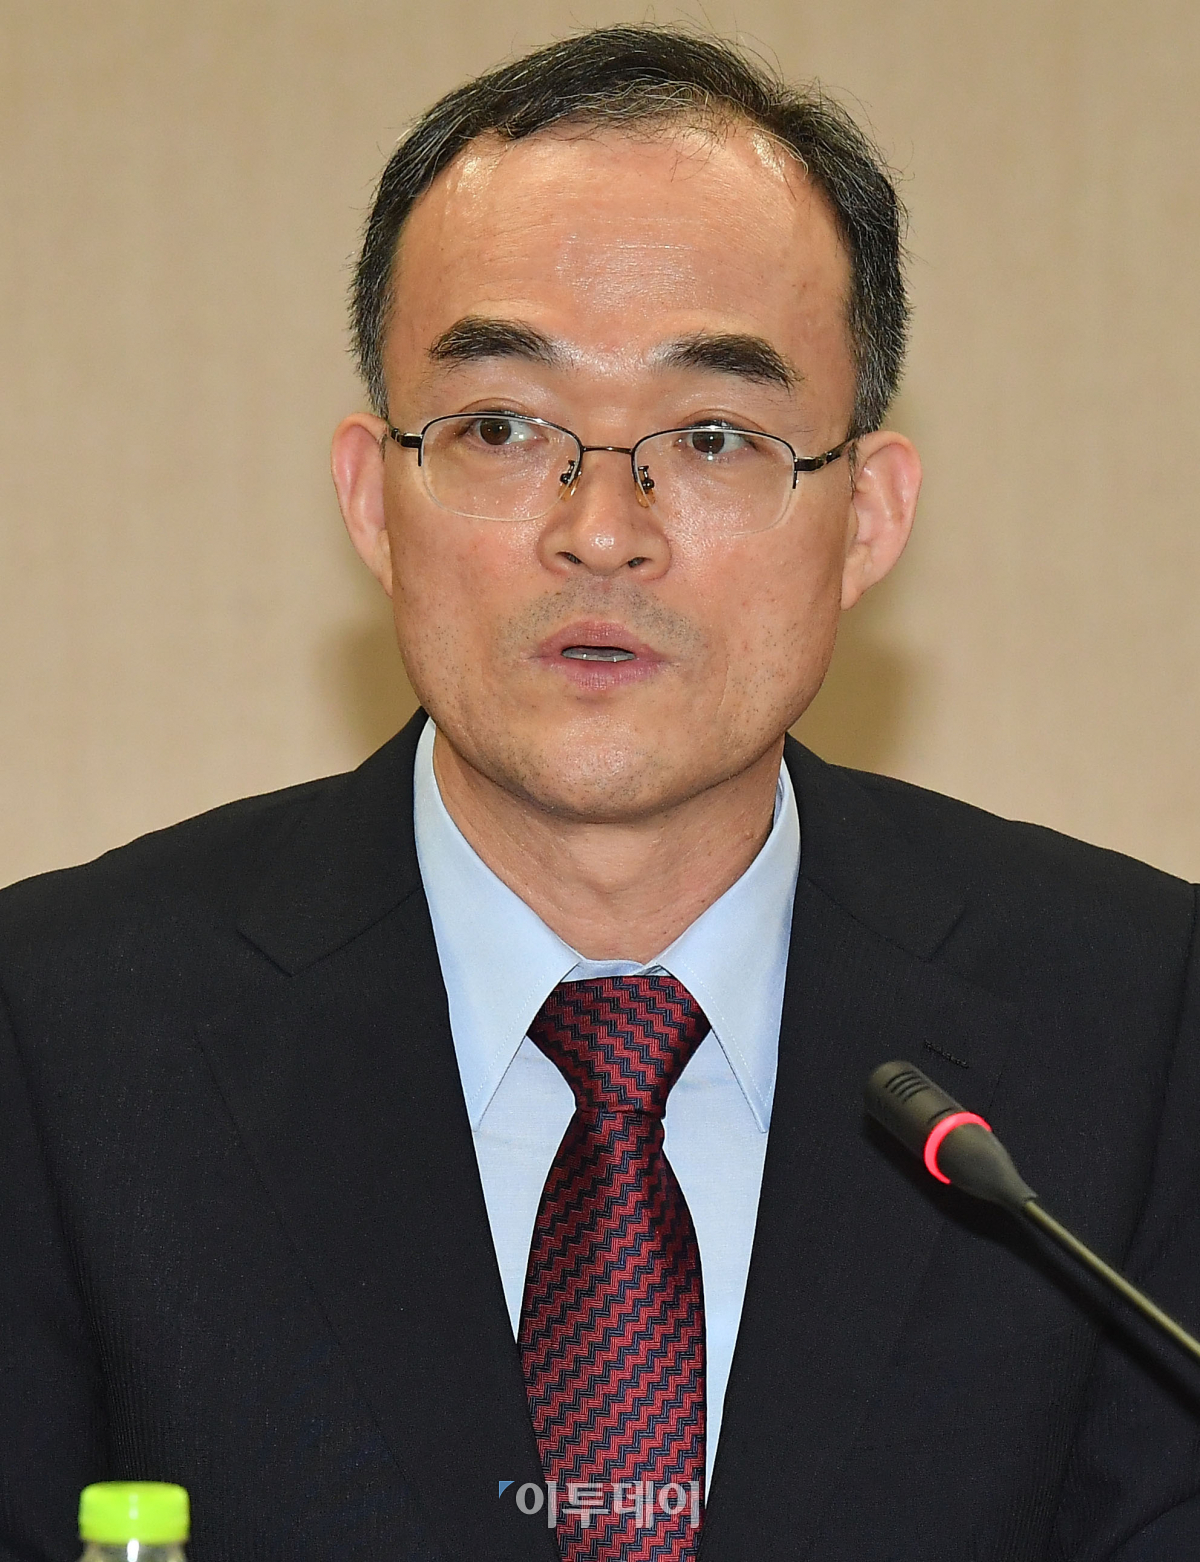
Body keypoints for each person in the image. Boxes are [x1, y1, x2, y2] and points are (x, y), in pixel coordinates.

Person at [2, 25, 1199, 1562]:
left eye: (712, 435)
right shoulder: (63, 1033)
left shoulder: (1140, 1024)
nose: (604, 530)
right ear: (373, 498)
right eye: (503, 427)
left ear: (867, 518)